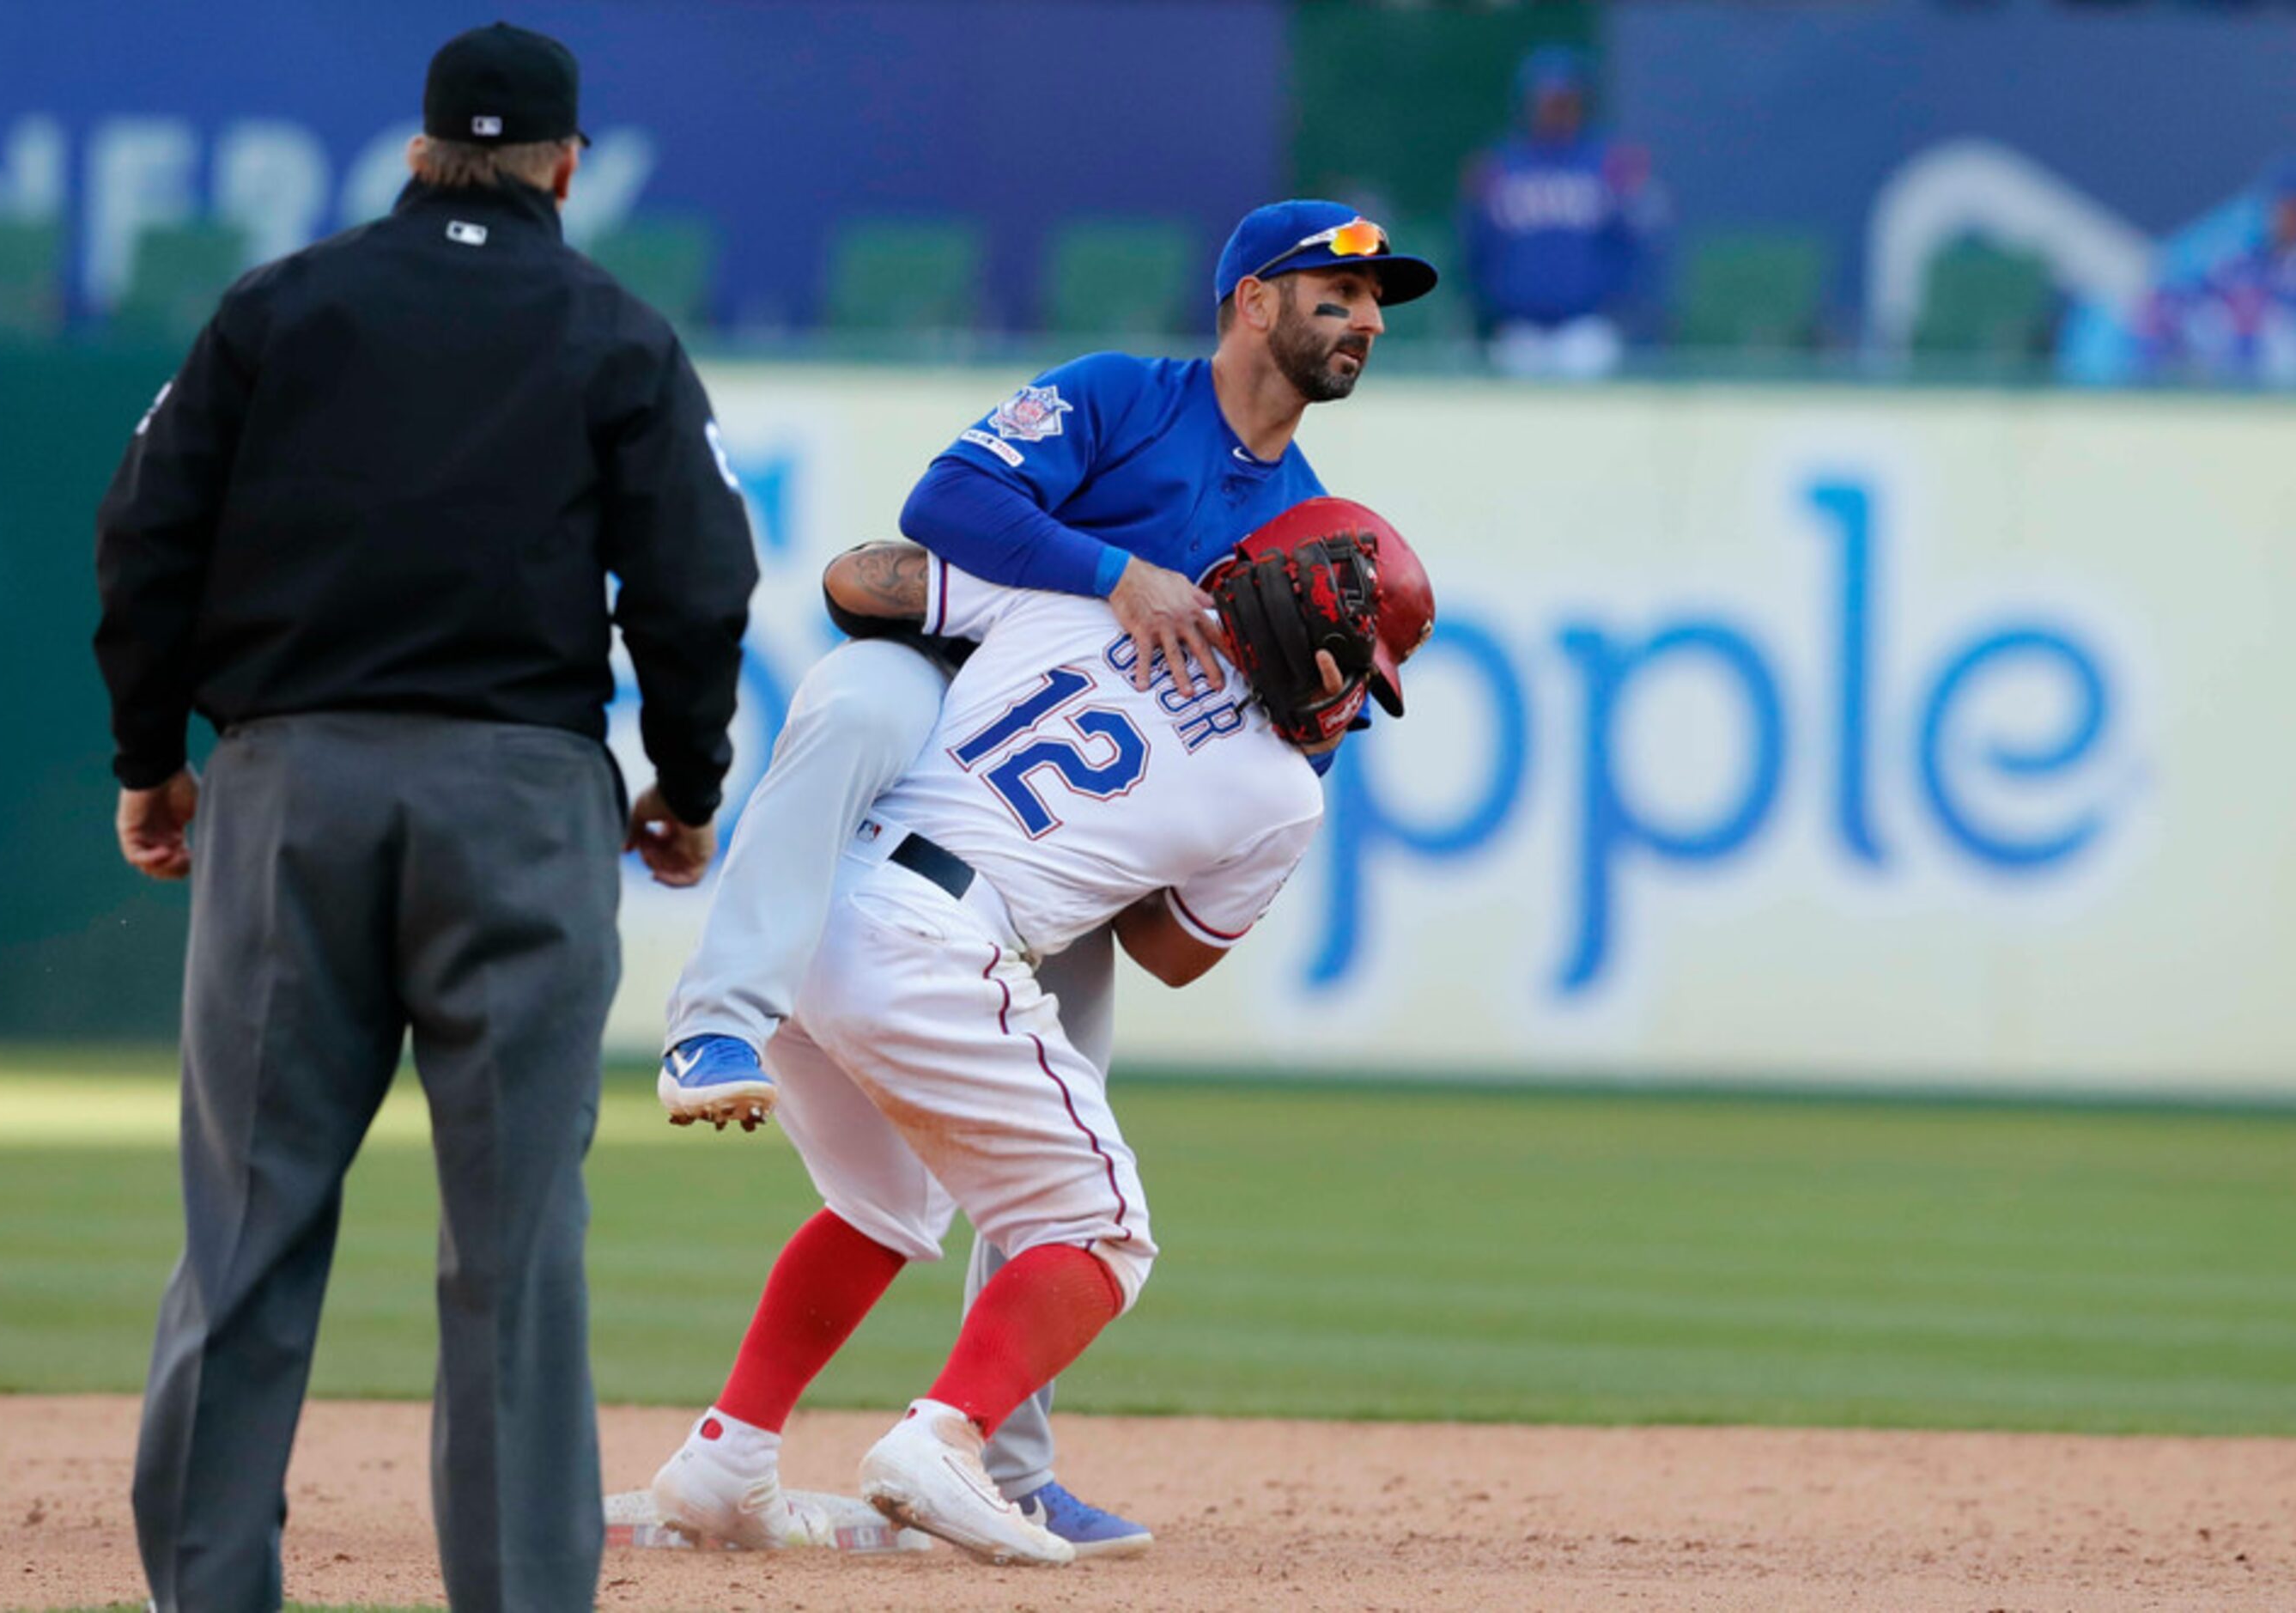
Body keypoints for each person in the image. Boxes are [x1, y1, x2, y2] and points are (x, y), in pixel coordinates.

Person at [651, 199, 1437, 1555]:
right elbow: (923, 523)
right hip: (949, 694)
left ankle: (991, 1460)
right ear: (1253, 300)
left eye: (1376, 304)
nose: (1366, 320)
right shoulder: (1124, 398)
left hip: (1047, 831)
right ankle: (716, 1017)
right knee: (846, 705)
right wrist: (1114, 572)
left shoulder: (1307, 523)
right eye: (1339, 292)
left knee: (984, 1164)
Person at [92, 23, 756, 1613]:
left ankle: (209, 1592)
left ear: (415, 153)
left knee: (245, 1232)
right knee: (513, 1256)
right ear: (568, 165)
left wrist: (150, 760)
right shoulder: (614, 327)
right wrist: (685, 782)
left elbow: (145, 538)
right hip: (518, 805)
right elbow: (697, 579)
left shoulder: (279, 304)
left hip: (289, 790)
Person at [1461, 45, 1667, 380]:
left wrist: (1628, 315)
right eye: (1547, 99)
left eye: (1565, 99)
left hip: (1588, 330)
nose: (1555, 108)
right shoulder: (1498, 167)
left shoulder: (1612, 164)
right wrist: (1483, 316)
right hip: (1516, 330)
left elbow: (1640, 247)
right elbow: (1474, 250)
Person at [2139, 156, 2296, 387]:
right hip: (2240, 393)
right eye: (2286, 207)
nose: (2289, 217)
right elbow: (2171, 307)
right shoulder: (2243, 268)